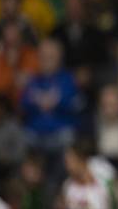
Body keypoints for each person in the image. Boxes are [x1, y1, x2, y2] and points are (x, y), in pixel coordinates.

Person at [20, 39, 82, 175]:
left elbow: (74, 105)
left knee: (69, 141)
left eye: (50, 56)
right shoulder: (32, 79)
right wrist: (41, 102)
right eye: (42, 56)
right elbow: (24, 104)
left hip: (60, 135)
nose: (46, 60)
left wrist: (55, 102)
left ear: (59, 58)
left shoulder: (68, 79)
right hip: (35, 135)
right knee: (21, 140)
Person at [0, 19, 39, 104]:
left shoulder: (32, 56)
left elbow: (39, 79)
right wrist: (12, 73)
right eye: (8, 41)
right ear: (2, 41)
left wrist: (29, 80)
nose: (12, 42)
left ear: (21, 38)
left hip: (30, 106)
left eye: (15, 38)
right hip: (3, 108)